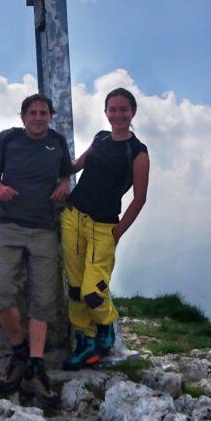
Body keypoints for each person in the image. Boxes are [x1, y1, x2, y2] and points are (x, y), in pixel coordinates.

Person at [0, 93, 72, 408]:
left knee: (44, 298)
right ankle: (20, 350)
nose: (38, 118)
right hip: (10, 226)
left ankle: (35, 367)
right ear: (23, 117)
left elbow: (65, 171)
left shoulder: (57, 142)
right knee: (0, 290)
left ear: (50, 116)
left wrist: (64, 183)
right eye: (32, 113)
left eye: (43, 113)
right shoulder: (8, 139)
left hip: (45, 229)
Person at [61, 87, 149, 369]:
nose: (118, 114)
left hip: (104, 226)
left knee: (93, 290)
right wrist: (59, 175)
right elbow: (76, 166)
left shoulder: (137, 152)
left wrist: (118, 231)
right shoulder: (99, 138)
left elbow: (139, 198)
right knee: (75, 288)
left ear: (132, 112)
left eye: (124, 109)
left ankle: (106, 326)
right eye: (113, 109)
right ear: (106, 112)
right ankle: (85, 342)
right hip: (74, 217)